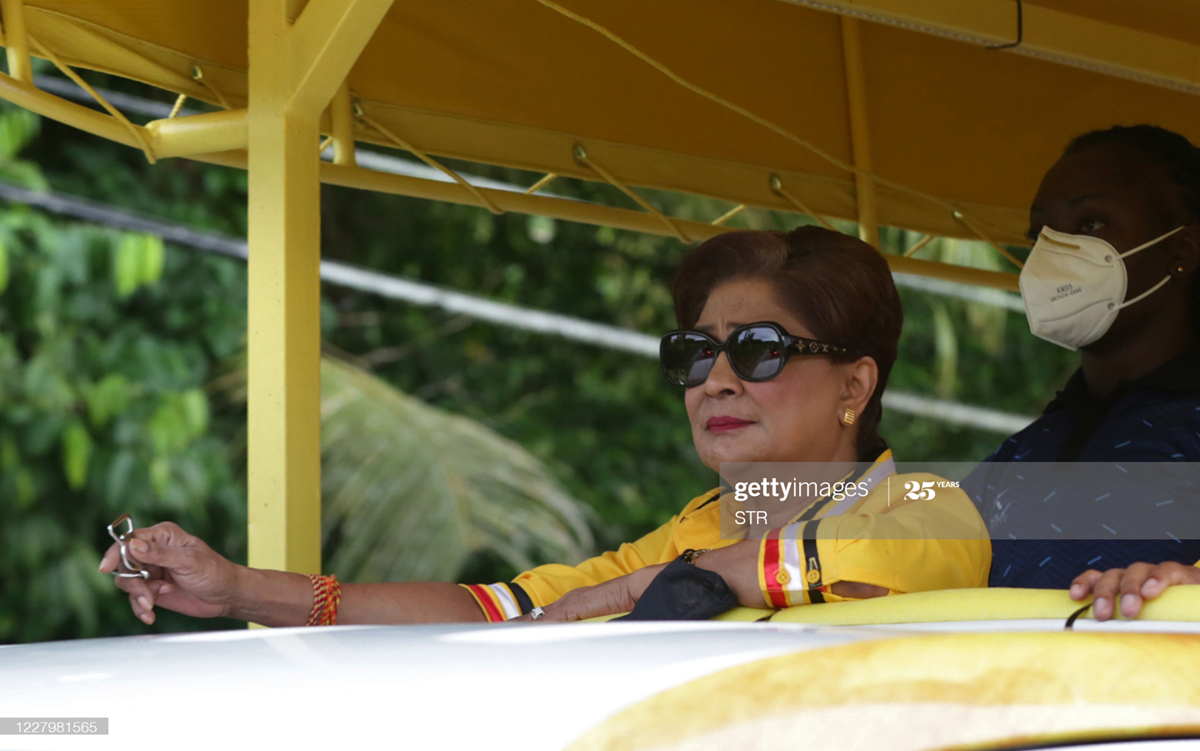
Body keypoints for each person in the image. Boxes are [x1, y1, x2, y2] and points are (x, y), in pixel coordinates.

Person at [101, 227, 990, 626]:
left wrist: (653, 585)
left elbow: (868, 562)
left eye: (758, 349)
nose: (714, 379)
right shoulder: (691, 531)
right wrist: (239, 590)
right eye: (694, 352)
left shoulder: (928, 505)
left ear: (854, 383)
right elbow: (498, 609)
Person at [963, 125, 1200, 621]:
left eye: (1091, 223)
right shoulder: (1015, 455)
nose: (1053, 253)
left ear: (1183, 248)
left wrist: (1188, 587)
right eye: (1040, 235)